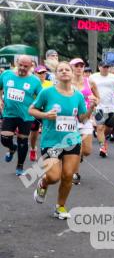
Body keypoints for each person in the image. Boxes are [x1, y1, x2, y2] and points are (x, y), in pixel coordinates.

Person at [29, 62, 97, 219]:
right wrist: (45, 115)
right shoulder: (47, 92)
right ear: (56, 74)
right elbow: (31, 110)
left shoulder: (78, 96)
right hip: (51, 141)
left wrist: (91, 108)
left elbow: (81, 118)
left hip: (71, 140)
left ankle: (60, 206)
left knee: (68, 176)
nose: (64, 72)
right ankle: (43, 183)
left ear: (72, 73)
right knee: (53, 177)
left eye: (67, 70)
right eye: (61, 70)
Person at [1, 55, 42, 176]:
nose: (23, 68)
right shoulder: (6, 74)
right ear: (16, 63)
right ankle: (12, 148)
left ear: (31, 66)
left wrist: (36, 108)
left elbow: (41, 97)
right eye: (21, 65)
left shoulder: (35, 81)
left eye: (26, 66)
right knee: (4, 139)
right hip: (9, 113)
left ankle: (20, 166)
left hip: (26, 116)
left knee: (22, 141)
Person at [69, 58, 97, 185]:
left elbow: (98, 97)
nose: (79, 68)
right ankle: (75, 173)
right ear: (71, 67)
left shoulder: (89, 81)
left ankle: (77, 157)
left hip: (86, 117)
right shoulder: (66, 82)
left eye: (81, 65)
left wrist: (94, 102)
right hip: (71, 118)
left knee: (87, 150)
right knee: (77, 147)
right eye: (76, 65)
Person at [91, 61, 114, 158]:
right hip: (99, 106)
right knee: (100, 127)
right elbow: (89, 88)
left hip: (111, 107)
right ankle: (102, 146)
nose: (105, 69)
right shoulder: (93, 77)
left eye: (107, 67)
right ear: (99, 67)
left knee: (109, 128)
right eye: (104, 67)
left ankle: (103, 138)